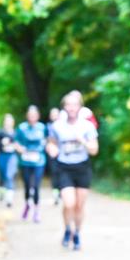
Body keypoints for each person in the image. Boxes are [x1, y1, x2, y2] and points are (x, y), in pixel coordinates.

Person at [47, 91, 98, 250]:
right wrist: (52, 149)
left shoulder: (87, 126)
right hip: (64, 168)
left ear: (80, 107)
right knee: (69, 203)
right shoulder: (57, 126)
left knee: (79, 206)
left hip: (82, 167)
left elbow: (94, 150)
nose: (71, 108)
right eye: (68, 105)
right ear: (64, 107)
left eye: (74, 105)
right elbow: (51, 143)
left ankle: (77, 234)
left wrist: (82, 140)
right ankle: (67, 229)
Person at [15, 105, 47, 223]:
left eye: (34, 115)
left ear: (37, 116)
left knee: (36, 186)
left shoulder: (42, 128)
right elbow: (16, 143)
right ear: (27, 116)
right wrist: (20, 149)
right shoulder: (22, 128)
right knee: (28, 186)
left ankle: (37, 211)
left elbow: (47, 140)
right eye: (30, 115)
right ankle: (27, 205)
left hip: (39, 160)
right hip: (26, 160)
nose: (32, 117)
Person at [0, 114, 19, 208]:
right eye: (6, 121)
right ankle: (2, 192)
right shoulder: (0, 132)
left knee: (9, 175)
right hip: (2, 155)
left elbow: (20, 143)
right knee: (2, 176)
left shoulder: (16, 133)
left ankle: (9, 199)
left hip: (12, 156)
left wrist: (15, 146)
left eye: (10, 121)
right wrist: (1, 143)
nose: (8, 123)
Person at [47, 107, 62, 205]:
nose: (54, 116)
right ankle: (56, 194)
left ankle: (62, 193)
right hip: (52, 155)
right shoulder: (47, 127)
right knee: (54, 173)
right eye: (53, 115)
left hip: (63, 155)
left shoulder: (64, 126)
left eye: (56, 114)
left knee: (62, 174)